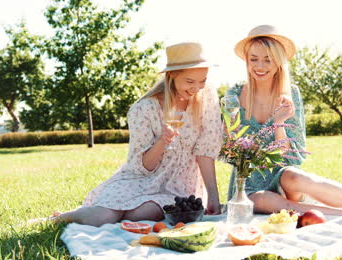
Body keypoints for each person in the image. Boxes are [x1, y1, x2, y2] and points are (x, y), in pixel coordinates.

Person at [225, 25, 342, 216]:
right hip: (248, 184)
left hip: (281, 178)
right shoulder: (234, 96)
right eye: (253, 59)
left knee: (296, 177)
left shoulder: (291, 94)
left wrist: (279, 123)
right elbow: (229, 149)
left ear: (279, 61)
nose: (260, 66)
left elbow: (288, 155)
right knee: (262, 199)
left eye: (268, 60)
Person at [50, 42, 222, 226]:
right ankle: (62, 218)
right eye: (190, 81)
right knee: (103, 218)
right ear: (171, 75)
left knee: (139, 215)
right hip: (141, 179)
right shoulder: (144, 109)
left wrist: (213, 195)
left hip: (179, 186)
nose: (197, 88)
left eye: (202, 80)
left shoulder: (206, 102)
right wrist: (162, 142)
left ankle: (100, 213)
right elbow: (141, 166)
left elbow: (205, 151)